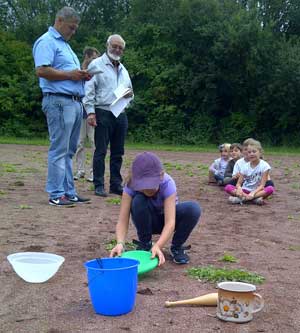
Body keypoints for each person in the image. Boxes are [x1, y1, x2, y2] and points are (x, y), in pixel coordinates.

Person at [32, 6, 91, 206]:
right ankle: (56, 194)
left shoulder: (65, 45)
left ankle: (68, 192)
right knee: (59, 148)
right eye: (71, 27)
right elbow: (41, 70)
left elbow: (69, 72)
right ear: (59, 21)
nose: (73, 32)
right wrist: (70, 75)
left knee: (69, 150)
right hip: (58, 101)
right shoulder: (47, 42)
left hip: (73, 102)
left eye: (75, 29)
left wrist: (82, 74)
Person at [110, 152, 201, 265]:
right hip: (147, 221)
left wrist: (158, 245)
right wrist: (120, 243)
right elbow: (122, 220)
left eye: (151, 184)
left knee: (193, 209)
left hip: (165, 221)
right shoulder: (130, 186)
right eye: (143, 185)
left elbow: (170, 222)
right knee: (138, 200)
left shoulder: (168, 183)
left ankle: (176, 247)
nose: (148, 189)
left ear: (161, 176)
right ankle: (145, 244)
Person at [83, 34, 133, 197]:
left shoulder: (124, 70)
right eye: (115, 46)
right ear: (107, 45)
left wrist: (128, 97)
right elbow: (88, 90)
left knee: (118, 152)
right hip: (102, 111)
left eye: (120, 48)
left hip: (120, 113)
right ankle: (98, 184)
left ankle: (115, 184)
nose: (117, 50)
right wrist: (90, 112)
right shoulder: (96, 65)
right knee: (101, 150)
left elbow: (131, 92)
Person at [74, 47, 100, 182]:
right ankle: (80, 170)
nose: (96, 61)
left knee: (95, 144)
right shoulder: (78, 71)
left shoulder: (97, 74)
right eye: (94, 58)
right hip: (80, 112)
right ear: (87, 57)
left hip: (93, 113)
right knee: (79, 143)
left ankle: (93, 172)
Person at [224, 140, 275, 205]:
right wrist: (239, 189)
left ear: (260, 152)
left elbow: (262, 185)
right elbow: (238, 184)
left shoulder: (265, 166)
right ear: (247, 154)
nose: (251, 154)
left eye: (254, 152)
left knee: (270, 189)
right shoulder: (245, 166)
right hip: (244, 190)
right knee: (228, 187)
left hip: (257, 191)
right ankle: (255, 200)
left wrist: (252, 193)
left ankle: (241, 199)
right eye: (249, 152)